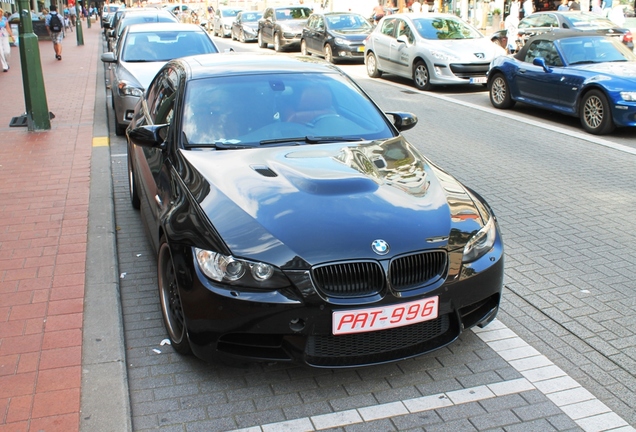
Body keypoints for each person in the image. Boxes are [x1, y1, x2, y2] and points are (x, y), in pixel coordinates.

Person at [0, 8, 12, 72]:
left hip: (4, 35)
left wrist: (12, 35)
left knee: (7, 51)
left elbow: (8, 28)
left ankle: (7, 62)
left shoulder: (4, 19)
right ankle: (5, 66)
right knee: (0, 51)